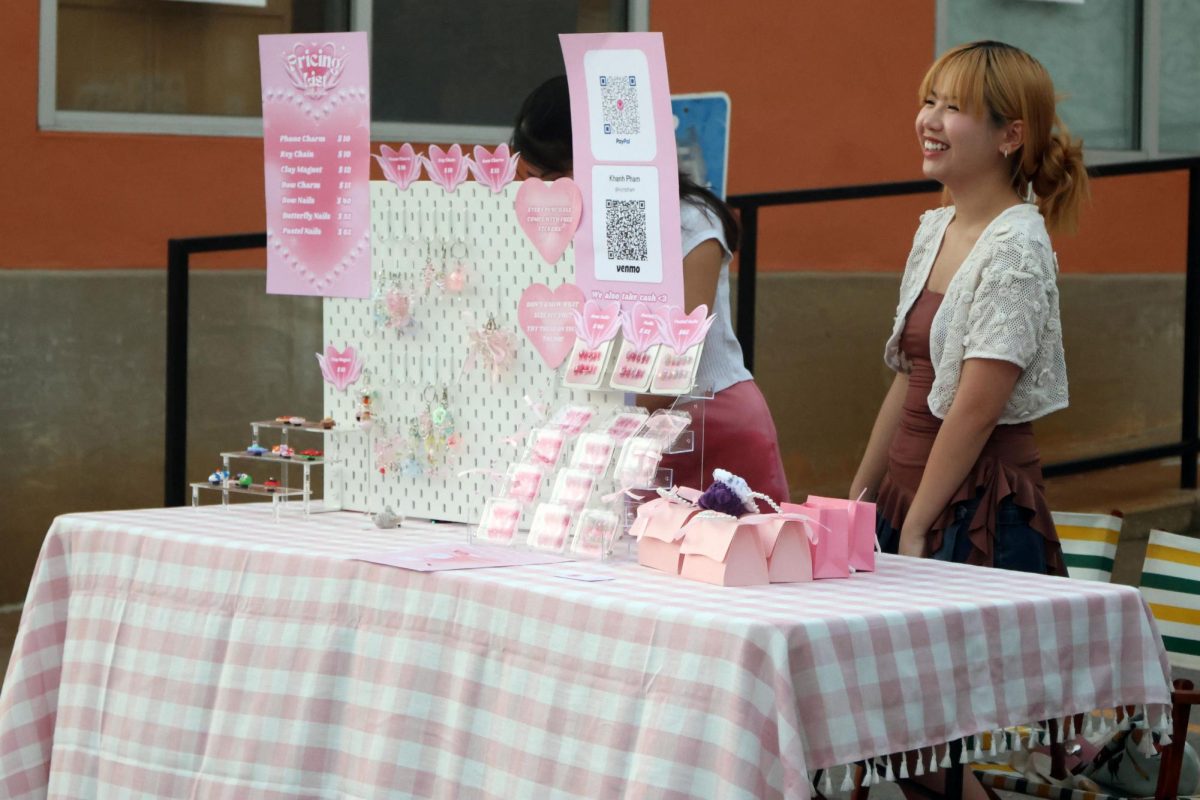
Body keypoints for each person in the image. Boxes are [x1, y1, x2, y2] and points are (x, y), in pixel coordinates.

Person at [850, 41, 1089, 575]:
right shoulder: (936, 226)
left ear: (1011, 135)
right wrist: (859, 497)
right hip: (905, 499)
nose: (928, 121)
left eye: (953, 108)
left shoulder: (1016, 248)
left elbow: (977, 409)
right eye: (928, 101)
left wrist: (916, 527)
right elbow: (909, 375)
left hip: (979, 514)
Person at [512, 76, 790, 502]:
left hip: (707, 429)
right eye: (528, 177)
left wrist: (593, 431)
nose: (541, 193)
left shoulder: (690, 223)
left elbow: (667, 373)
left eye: (552, 176)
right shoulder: (552, 226)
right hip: (610, 431)